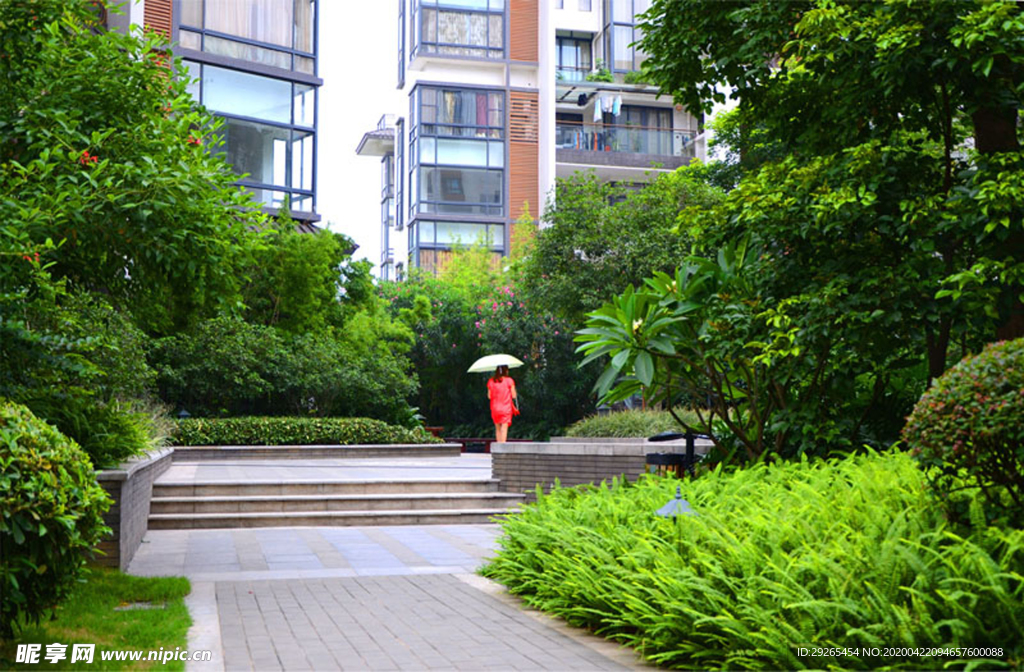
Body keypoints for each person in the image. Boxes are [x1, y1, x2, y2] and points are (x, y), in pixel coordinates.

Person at [487, 364, 518, 443]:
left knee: (497, 428)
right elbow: (514, 395)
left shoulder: (491, 381)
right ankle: (502, 447)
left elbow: (489, 396)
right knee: (504, 428)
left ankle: (498, 446)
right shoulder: (509, 381)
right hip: (505, 407)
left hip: (495, 408)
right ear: (506, 371)